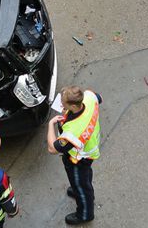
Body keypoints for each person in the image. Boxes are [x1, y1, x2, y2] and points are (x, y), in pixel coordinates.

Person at [47, 86, 102, 225]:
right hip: (89, 149)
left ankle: (85, 214)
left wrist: (51, 124)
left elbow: (52, 148)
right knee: (85, 178)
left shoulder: (73, 132)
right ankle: (82, 188)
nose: (61, 104)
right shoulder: (89, 97)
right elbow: (98, 97)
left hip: (78, 159)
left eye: (63, 102)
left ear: (73, 105)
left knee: (81, 186)